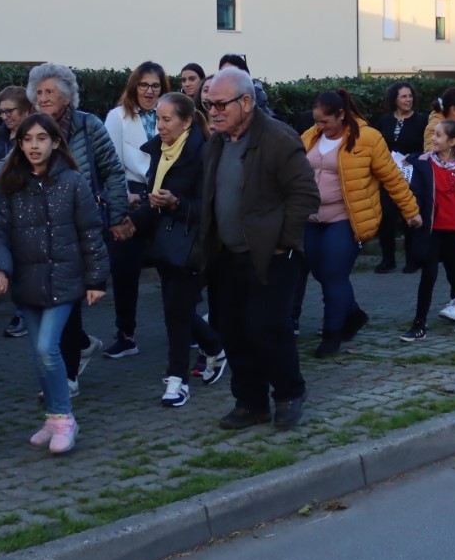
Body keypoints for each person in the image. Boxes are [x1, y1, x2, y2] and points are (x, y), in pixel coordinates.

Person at [0, 114, 110, 453]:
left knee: (46, 349)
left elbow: (91, 232)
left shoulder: (73, 182)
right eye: (27, 139)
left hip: (65, 281)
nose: (34, 145)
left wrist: (96, 278)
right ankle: (53, 419)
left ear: (55, 142)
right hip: (27, 282)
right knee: (39, 356)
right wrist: (1, 268)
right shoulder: (9, 184)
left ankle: (65, 417)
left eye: (41, 138)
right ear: (19, 144)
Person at [200, 67, 317, 428]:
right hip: (227, 255)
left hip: (271, 256)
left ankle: (288, 394)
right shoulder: (217, 141)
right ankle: (250, 402)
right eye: (208, 105)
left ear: (246, 102)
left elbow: (305, 194)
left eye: (220, 104)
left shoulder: (278, 138)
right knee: (232, 328)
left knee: (267, 327)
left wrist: (283, 241)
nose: (213, 112)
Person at [299, 89, 419, 357]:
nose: (320, 126)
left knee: (334, 274)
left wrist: (410, 211)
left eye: (325, 122)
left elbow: (392, 177)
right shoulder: (311, 136)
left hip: (346, 217)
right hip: (312, 217)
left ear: (341, 115)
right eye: (316, 121)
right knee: (320, 273)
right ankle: (352, 314)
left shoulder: (368, 138)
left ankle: (332, 334)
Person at [29, 63, 130, 376]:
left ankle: (69, 373)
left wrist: (117, 215)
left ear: (67, 97)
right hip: (42, 226)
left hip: (80, 224)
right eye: (39, 92)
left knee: (67, 296)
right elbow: (8, 170)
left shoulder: (89, 126)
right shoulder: (31, 130)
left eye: (50, 92)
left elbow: (113, 171)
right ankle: (80, 348)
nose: (43, 98)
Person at [142, 92, 227, 408]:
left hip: (192, 245)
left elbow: (208, 207)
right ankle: (214, 346)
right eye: (157, 119)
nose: (160, 126)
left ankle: (177, 380)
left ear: (187, 121)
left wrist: (176, 204)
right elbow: (154, 196)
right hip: (165, 243)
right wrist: (130, 221)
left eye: (166, 119)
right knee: (175, 309)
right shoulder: (161, 151)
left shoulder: (201, 153)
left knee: (176, 313)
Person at [100, 62, 168, 361]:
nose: (149, 91)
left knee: (174, 266)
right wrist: (123, 196)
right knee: (124, 268)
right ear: (134, 87)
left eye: (155, 86)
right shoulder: (117, 117)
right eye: (144, 85)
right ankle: (126, 335)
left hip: (164, 198)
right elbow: (108, 163)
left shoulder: (172, 115)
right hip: (131, 198)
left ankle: (189, 330)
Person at [401, 119, 455, 340]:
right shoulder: (424, 163)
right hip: (433, 229)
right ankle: (419, 324)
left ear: (453, 142)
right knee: (428, 276)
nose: (433, 138)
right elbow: (415, 188)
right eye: (434, 134)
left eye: (438, 135)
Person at [0, 85, 33, 339]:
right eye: (1, 113)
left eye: (9, 111)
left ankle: (25, 313)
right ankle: (23, 310)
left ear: (25, 110)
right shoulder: (3, 137)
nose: (5, 117)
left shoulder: (33, 137)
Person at [369, 82, 425, 273]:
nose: (408, 100)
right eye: (403, 96)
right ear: (395, 99)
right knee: (386, 216)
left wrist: (414, 157)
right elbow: (376, 144)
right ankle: (388, 259)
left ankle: (413, 259)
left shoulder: (421, 120)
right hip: (388, 176)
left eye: (410, 96)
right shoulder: (384, 121)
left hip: (411, 176)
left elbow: (428, 149)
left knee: (410, 216)